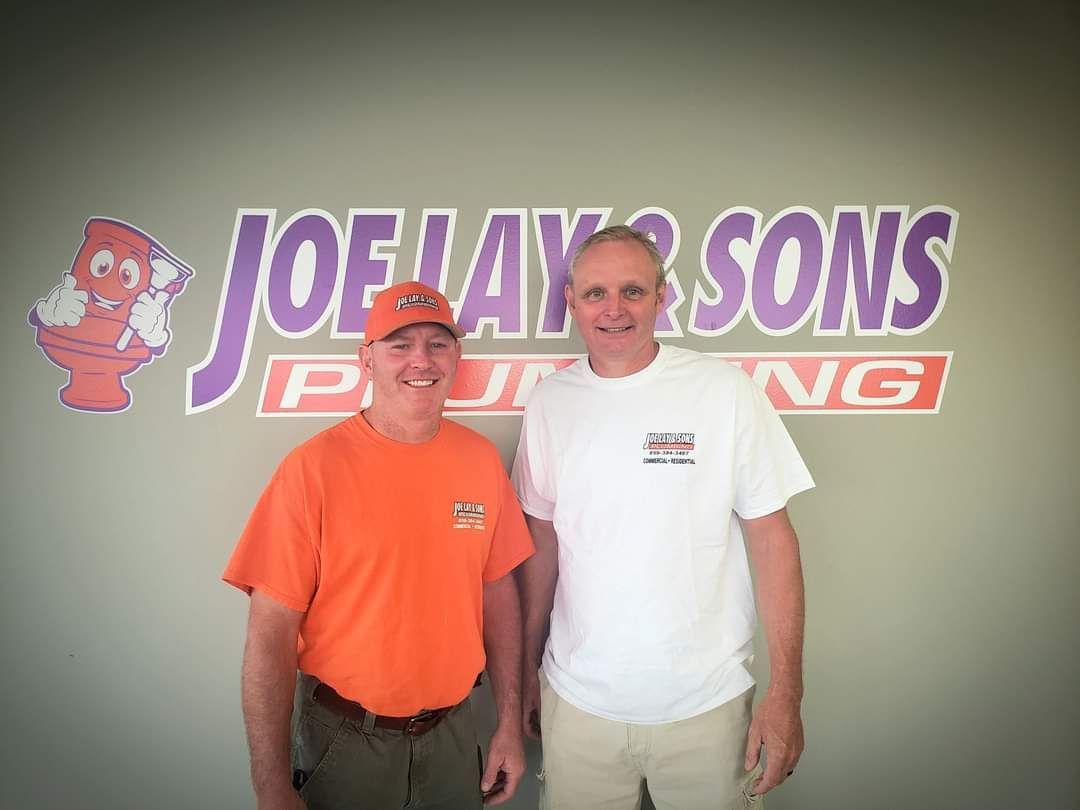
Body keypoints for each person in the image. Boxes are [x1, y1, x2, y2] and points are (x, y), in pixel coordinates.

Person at [512, 226, 815, 809]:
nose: (614, 309)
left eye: (633, 290)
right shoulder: (551, 402)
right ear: (571, 301)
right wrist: (528, 668)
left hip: (707, 707)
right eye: (596, 293)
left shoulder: (723, 392)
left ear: (662, 297)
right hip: (578, 705)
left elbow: (774, 541)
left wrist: (787, 692)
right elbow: (544, 542)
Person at [223, 281, 534, 810]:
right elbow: (270, 634)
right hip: (344, 739)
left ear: (456, 355)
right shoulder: (312, 470)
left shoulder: (479, 461)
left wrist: (508, 724)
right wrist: (270, 783)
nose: (421, 360)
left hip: (454, 736)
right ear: (366, 359)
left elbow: (498, 593)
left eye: (438, 343)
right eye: (399, 344)